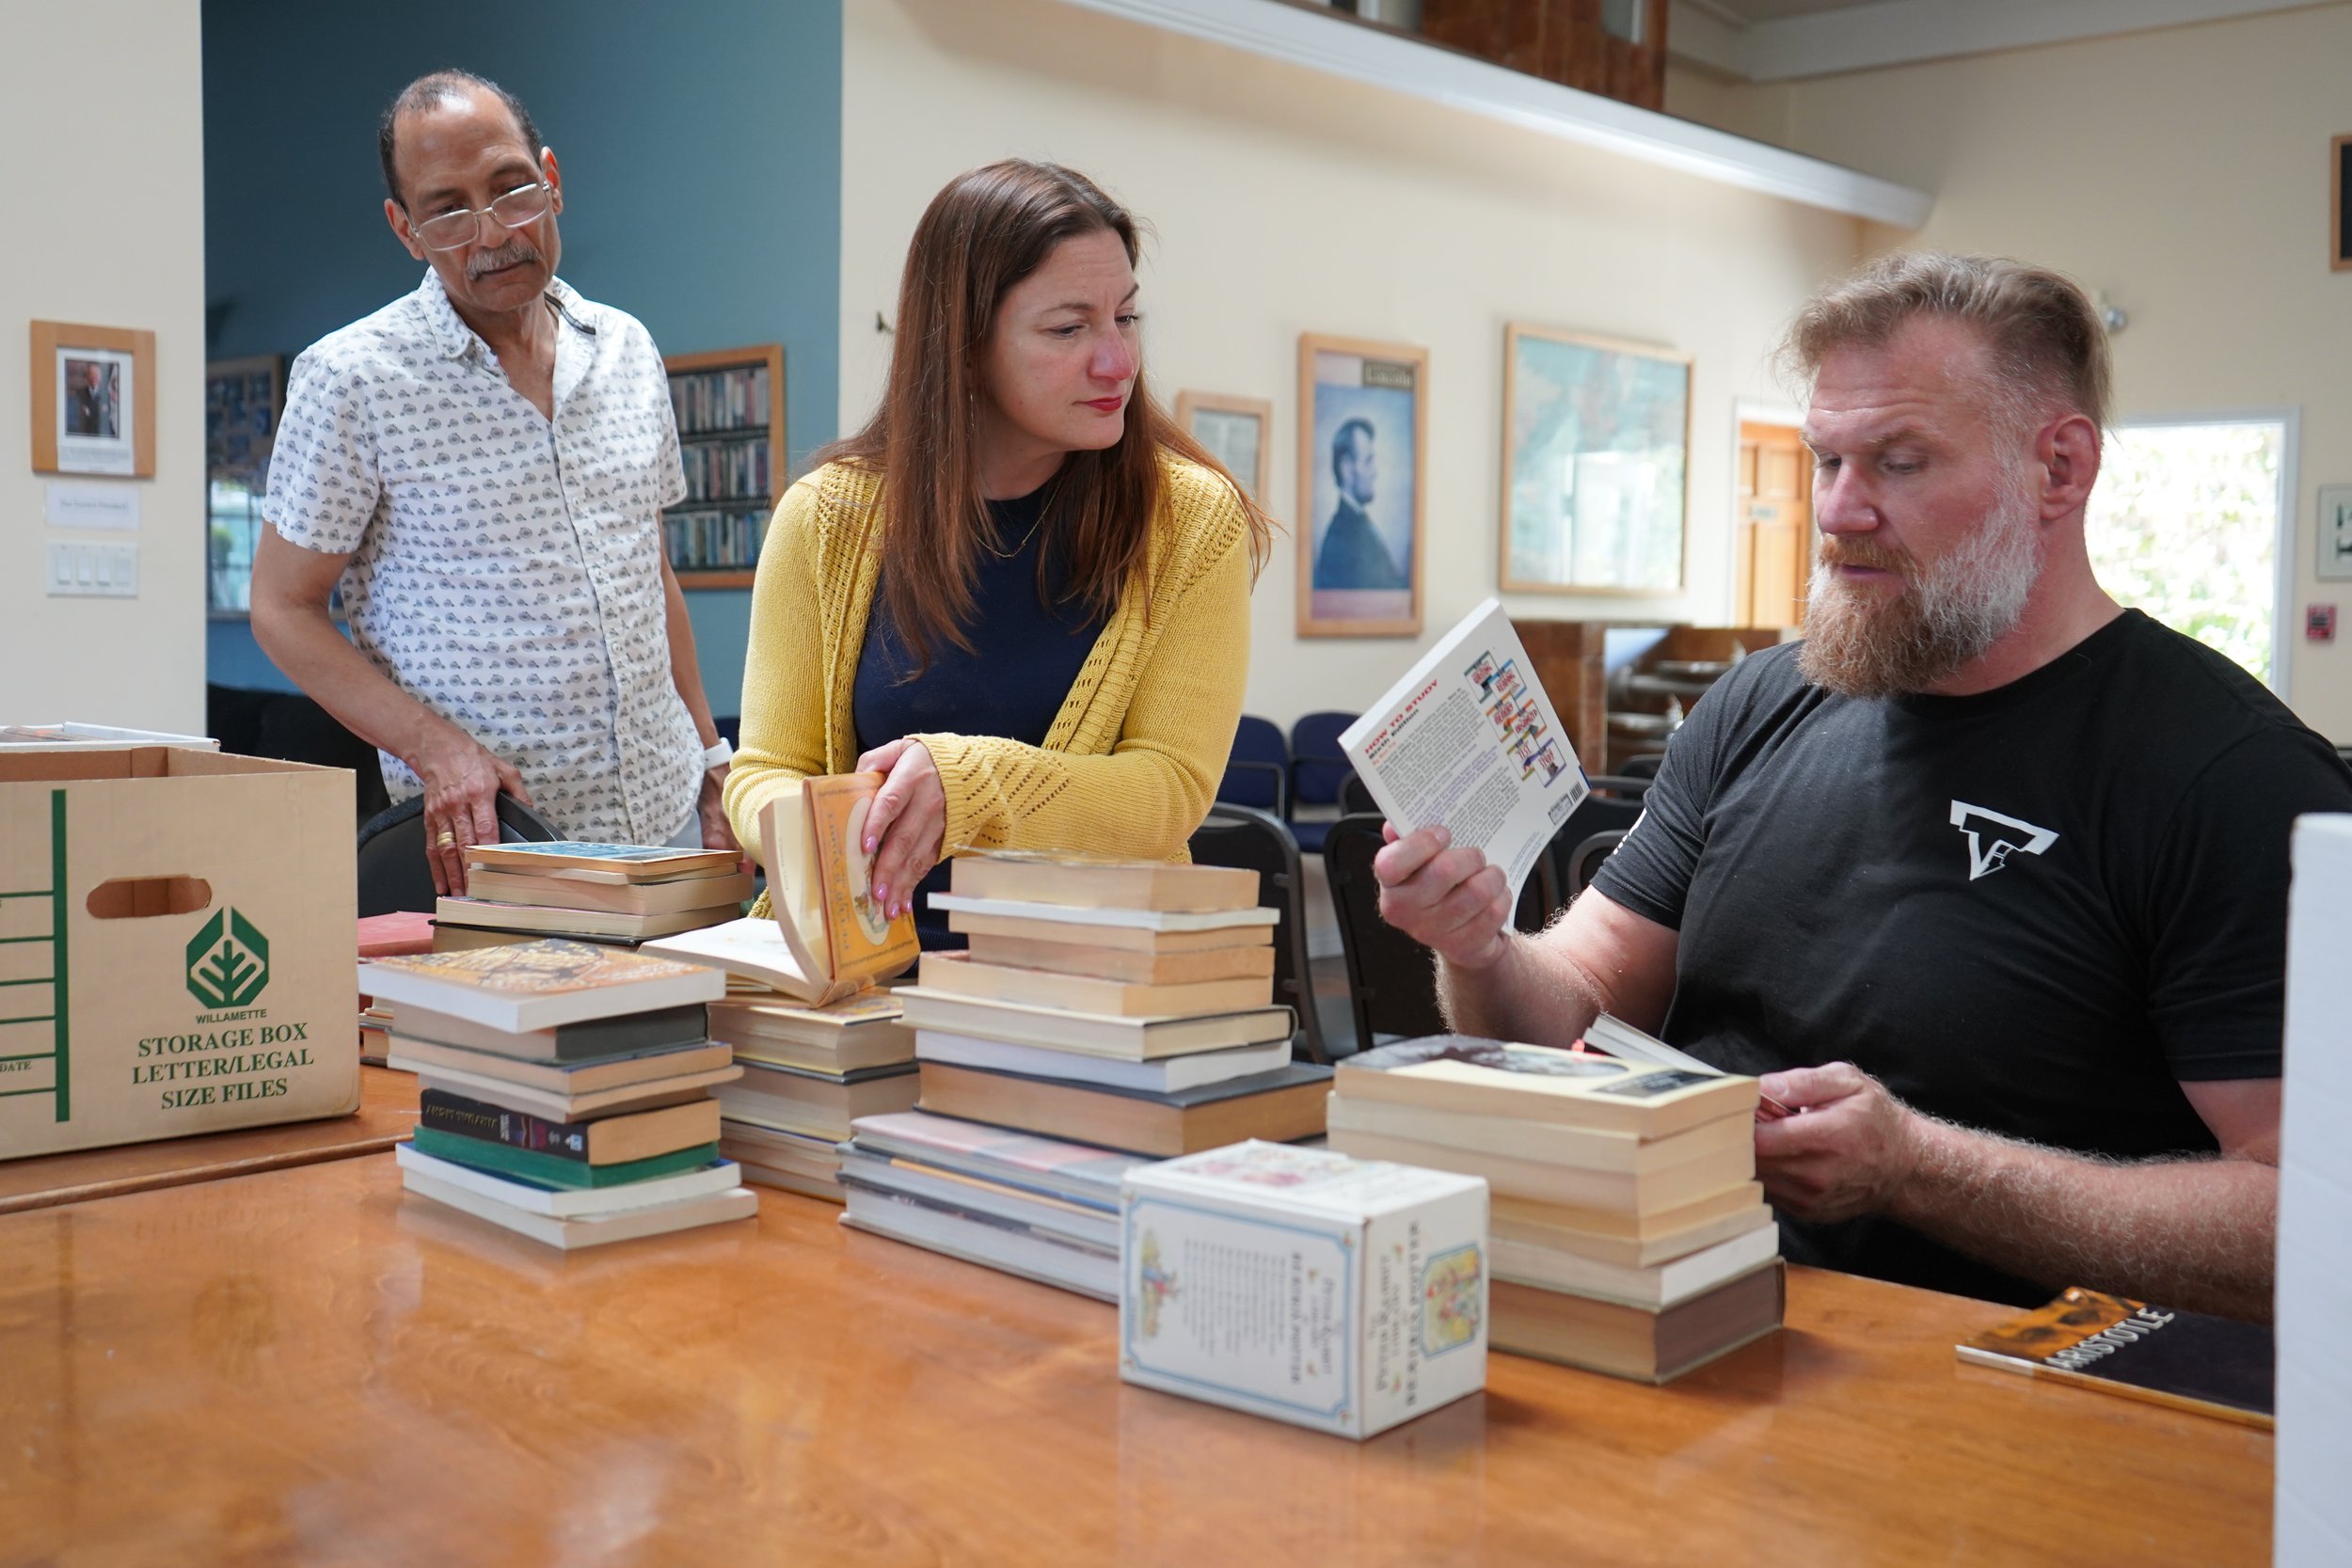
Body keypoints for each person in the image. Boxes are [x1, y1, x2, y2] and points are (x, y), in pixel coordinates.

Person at [1375, 252, 2352, 1319]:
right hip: (1694, 1308)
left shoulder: (2228, 777)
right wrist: (1479, 948)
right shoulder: (1758, 704)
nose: (1838, 511)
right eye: (1826, 459)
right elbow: (1564, 999)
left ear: (2058, 471)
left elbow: (2308, 1218)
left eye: (1897, 461)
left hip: (2002, 1387)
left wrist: (1917, 1167)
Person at [725, 160, 1272, 948]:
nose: (1117, 360)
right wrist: (829, 828)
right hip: (855, 995)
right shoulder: (826, 517)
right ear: (964, 345)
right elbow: (765, 770)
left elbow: (1170, 789)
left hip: (1080, 996)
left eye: (1126, 318)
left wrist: (969, 786)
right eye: (1068, 328)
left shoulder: (1189, 521)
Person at [252, 70, 736, 895]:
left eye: (511, 191)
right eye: (447, 209)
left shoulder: (625, 349)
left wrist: (712, 761)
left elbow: (650, 575)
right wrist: (437, 750)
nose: (491, 234)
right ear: (406, 230)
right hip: (497, 844)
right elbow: (281, 608)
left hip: (664, 827)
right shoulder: (353, 378)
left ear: (551, 181)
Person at [1312, 418, 1406, 591]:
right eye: (1368, 461)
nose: (1375, 472)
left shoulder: (1359, 525)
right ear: (1347, 469)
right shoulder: (1340, 538)